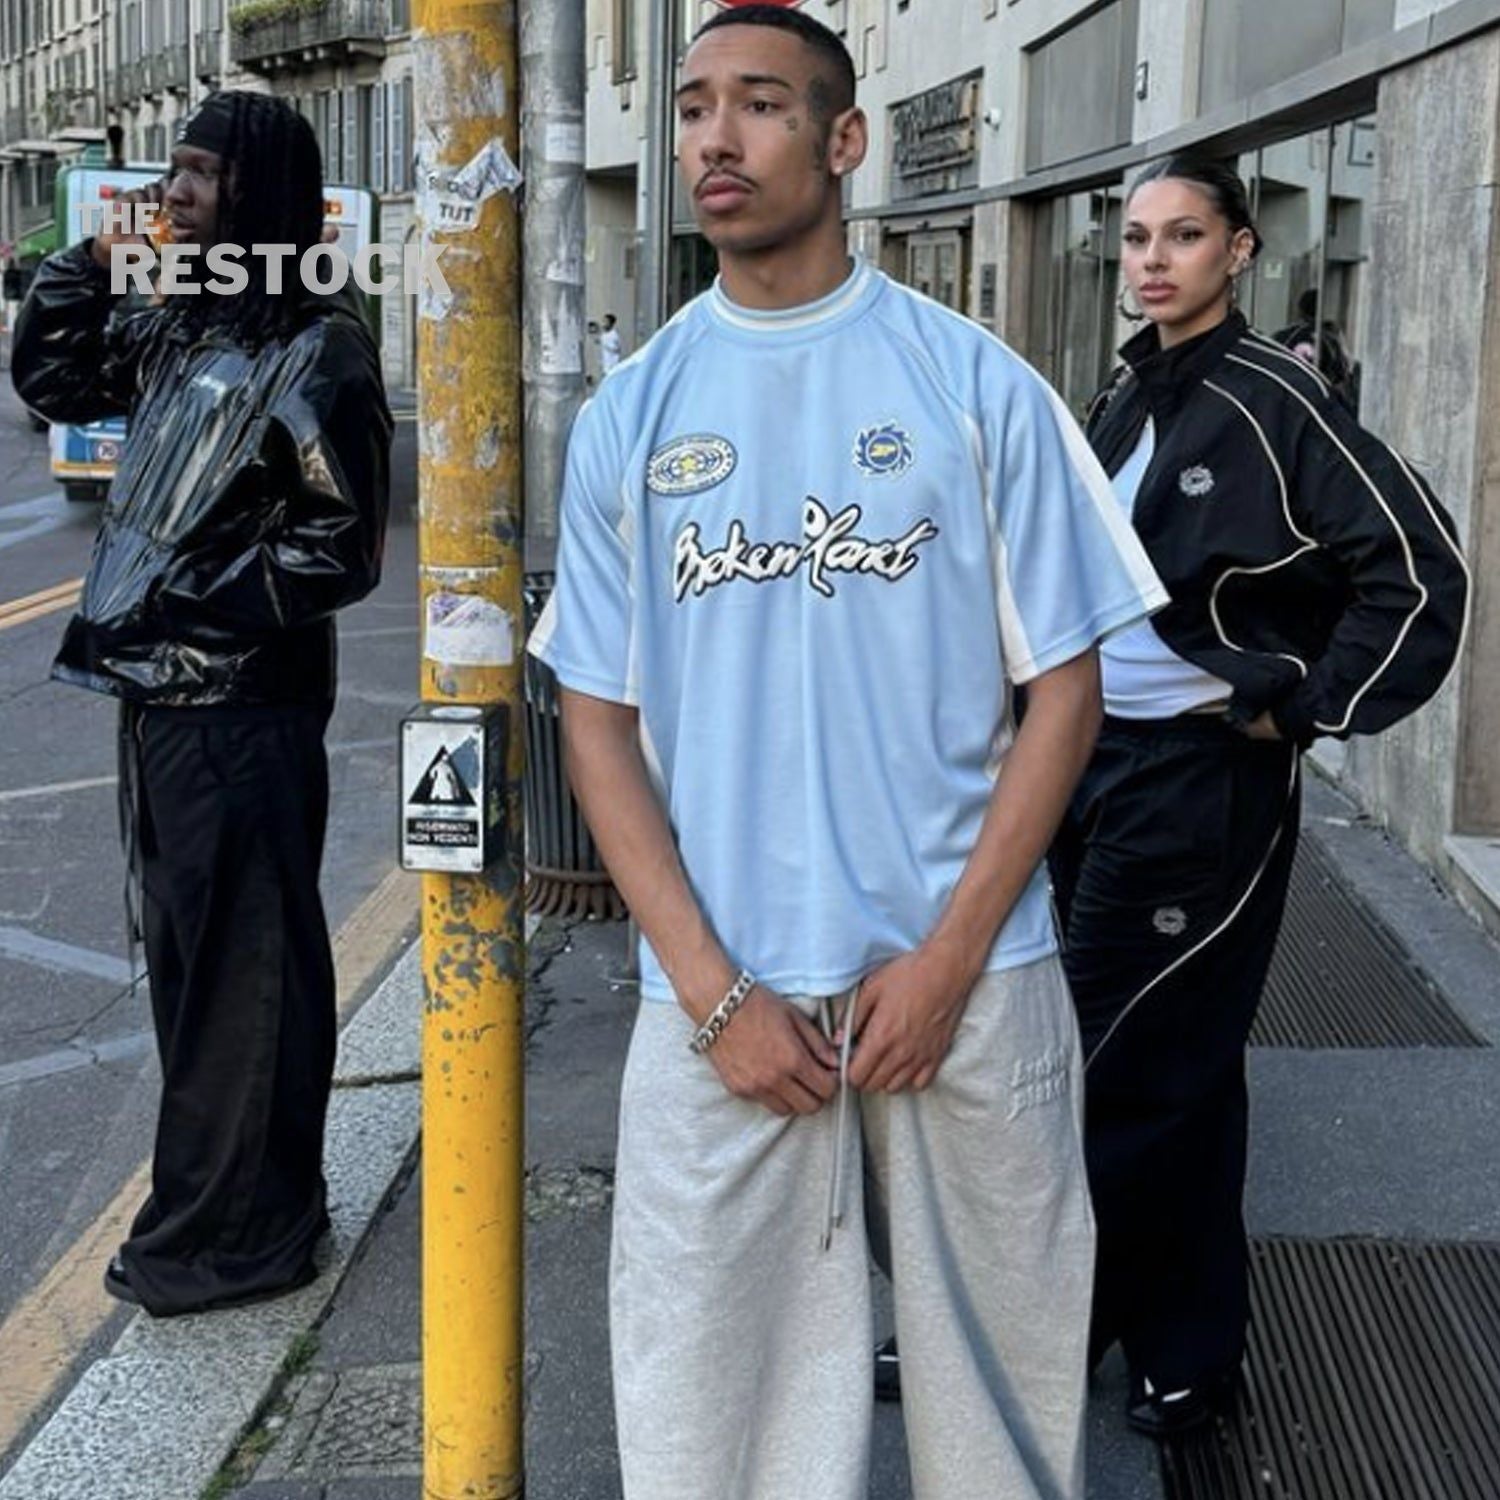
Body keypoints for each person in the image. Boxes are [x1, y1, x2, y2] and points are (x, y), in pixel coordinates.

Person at [528, 8, 1166, 1497]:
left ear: (844, 138)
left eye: (760, 105)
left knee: (1002, 1396)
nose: (713, 139)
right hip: (720, 997)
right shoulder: (636, 414)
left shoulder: (974, 384)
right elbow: (596, 722)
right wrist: (714, 993)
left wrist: (948, 960)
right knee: (705, 1412)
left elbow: (1065, 687)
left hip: (971, 976)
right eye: (694, 108)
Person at [1049, 156, 1468, 1438]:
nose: (1153, 260)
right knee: (1131, 1055)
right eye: (1135, 240)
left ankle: (1145, 1343)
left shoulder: (1278, 397)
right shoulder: (1129, 385)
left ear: (1240, 250)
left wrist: (1299, 705)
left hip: (1197, 777)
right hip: (1086, 767)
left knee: (1141, 1066)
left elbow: (1419, 568)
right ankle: (1117, 1326)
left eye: (1183, 236)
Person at [12, 90, 391, 1317]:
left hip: (239, 708)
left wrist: (189, 601)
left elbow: (342, 545)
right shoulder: (179, 326)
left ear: (259, 193)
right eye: (169, 174)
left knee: (245, 970)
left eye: (195, 175)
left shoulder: (320, 346)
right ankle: (238, 1206)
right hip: (167, 698)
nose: (170, 194)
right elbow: (55, 376)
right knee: (195, 966)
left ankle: (235, 1231)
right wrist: (88, 259)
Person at [598, 310, 623, 375]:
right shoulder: (603, 335)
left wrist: (605, 345)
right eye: (603, 321)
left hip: (612, 366)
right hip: (605, 366)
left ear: (611, 323)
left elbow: (617, 349)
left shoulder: (614, 335)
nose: (603, 323)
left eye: (606, 321)